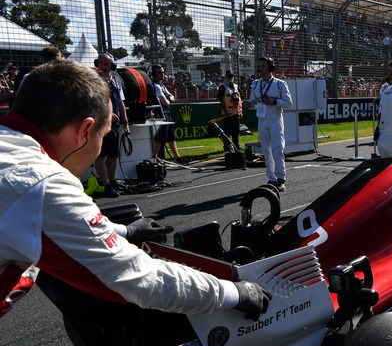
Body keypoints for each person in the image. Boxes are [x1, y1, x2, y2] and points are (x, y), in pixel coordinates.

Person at [0, 60, 269, 321]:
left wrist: (125, 231)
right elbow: (135, 278)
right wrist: (234, 292)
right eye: (103, 136)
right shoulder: (38, 182)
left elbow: (46, 222)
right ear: (85, 129)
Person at [244, 57, 292, 191]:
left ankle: (281, 178)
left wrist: (274, 101)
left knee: (277, 150)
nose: (261, 68)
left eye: (263, 66)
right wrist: (249, 105)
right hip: (262, 120)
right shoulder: (255, 84)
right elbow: (254, 102)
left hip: (275, 120)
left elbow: (288, 103)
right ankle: (271, 178)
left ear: (271, 67)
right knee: (266, 150)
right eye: (259, 66)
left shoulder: (280, 84)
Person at [93, 53, 130, 198]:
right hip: (100, 124)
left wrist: (125, 122)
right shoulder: (94, 81)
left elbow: (121, 103)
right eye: (101, 63)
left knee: (113, 155)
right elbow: (93, 104)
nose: (103, 66)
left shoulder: (116, 81)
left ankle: (113, 180)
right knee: (100, 156)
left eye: (106, 64)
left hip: (113, 125)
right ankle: (106, 184)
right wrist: (107, 116)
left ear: (112, 66)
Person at [152, 65, 190, 164]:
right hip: (161, 115)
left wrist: (169, 98)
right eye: (160, 72)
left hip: (167, 113)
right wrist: (169, 99)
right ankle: (154, 158)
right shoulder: (155, 86)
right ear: (154, 74)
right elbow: (166, 102)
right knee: (160, 139)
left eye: (163, 72)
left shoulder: (162, 86)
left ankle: (178, 158)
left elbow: (172, 97)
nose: (162, 74)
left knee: (171, 137)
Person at [217, 69, 242, 150]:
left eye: (231, 76)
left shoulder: (236, 86)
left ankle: (236, 145)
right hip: (227, 113)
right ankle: (227, 146)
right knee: (227, 131)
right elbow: (221, 99)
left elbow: (240, 99)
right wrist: (225, 112)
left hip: (236, 113)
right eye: (228, 76)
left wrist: (240, 111)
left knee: (236, 131)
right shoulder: (222, 86)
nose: (230, 77)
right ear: (226, 77)